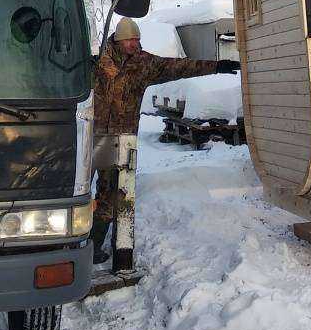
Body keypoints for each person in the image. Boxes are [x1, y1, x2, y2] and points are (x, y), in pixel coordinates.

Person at [91, 17, 239, 262]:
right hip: (96, 138)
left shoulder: (143, 63)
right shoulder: (98, 64)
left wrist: (216, 66)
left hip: (124, 140)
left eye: (138, 39)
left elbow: (179, 67)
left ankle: (103, 247)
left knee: (117, 192)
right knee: (92, 190)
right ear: (118, 40)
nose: (135, 44)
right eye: (131, 40)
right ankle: (79, 238)